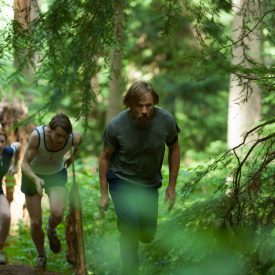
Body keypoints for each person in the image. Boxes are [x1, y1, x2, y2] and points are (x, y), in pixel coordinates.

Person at [98, 81, 180, 274]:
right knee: (130, 228)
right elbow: (104, 158)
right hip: (121, 179)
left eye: (149, 105)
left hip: (149, 183)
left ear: (154, 104)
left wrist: (171, 186)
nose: (144, 110)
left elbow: (174, 148)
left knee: (147, 235)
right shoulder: (116, 126)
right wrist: (104, 194)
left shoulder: (166, 120)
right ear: (130, 104)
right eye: (139, 105)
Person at [21, 113, 81, 271]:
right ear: (49, 130)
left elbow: (79, 140)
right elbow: (24, 164)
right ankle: (41, 255)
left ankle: (51, 229)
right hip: (33, 174)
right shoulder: (37, 136)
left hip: (56, 173)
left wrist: (72, 157)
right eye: (58, 135)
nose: (61, 139)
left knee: (57, 213)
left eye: (65, 136)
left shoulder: (71, 138)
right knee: (35, 222)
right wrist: (35, 179)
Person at [0, 129, 21, 265]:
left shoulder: (7, 152)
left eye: (1, 141)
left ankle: (0, 250)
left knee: (6, 216)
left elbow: (18, 146)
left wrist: (15, 164)